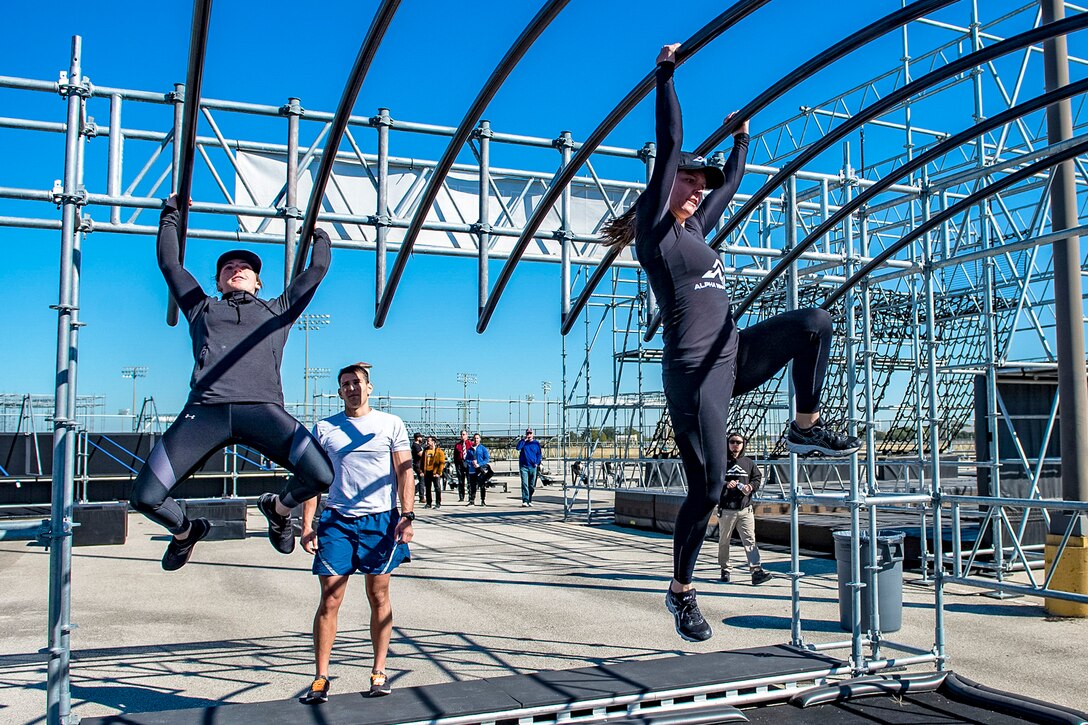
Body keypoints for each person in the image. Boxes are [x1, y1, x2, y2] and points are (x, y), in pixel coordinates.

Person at [598, 44, 859, 642]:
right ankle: (681, 590)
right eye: (687, 181)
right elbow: (668, 145)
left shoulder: (696, 227)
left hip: (733, 354)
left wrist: (741, 139)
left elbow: (732, 183)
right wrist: (664, 72)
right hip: (693, 376)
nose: (695, 189)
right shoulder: (657, 236)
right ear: (664, 189)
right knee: (710, 487)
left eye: (698, 185)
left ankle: (804, 425)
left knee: (815, 323)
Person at [130, 194, 335, 571]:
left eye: (244, 267)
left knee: (321, 475)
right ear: (219, 281)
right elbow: (169, 263)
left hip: (263, 410)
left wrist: (318, 231)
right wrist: (171, 215)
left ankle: (277, 508)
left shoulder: (279, 309)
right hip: (204, 412)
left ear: (258, 283)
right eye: (227, 267)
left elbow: (316, 270)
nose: (235, 269)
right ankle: (185, 532)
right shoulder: (201, 308)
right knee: (145, 496)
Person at [299, 362, 414, 704]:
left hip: (380, 521)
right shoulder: (324, 428)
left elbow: (405, 472)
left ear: (369, 387)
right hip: (337, 521)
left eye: (357, 383)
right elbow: (312, 479)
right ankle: (321, 678)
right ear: (339, 391)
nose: (351, 388)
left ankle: (379, 672)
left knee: (378, 595)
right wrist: (308, 524)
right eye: (345, 384)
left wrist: (407, 516)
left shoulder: (390, 424)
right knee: (330, 598)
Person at [717, 433, 771, 586]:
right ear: (727, 444)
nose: (735, 445)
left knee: (750, 540)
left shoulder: (748, 462)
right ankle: (725, 569)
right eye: (732, 442)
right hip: (727, 509)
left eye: (739, 442)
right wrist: (726, 484)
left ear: (743, 445)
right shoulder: (722, 462)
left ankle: (756, 571)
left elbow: (757, 477)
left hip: (745, 509)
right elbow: (713, 479)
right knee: (724, 541)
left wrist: (751, 487)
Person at [516, 427, 543, 507]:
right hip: (524, 466)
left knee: (531, 485)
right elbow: (518, 448)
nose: (529, 435)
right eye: (528, 433)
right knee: (525, 484)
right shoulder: (523, 442)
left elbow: (539, 454)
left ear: (533, 434)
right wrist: (524, 440)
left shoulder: (536, 443)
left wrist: (537, 463)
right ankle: (525, 500)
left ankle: (529, 499)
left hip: (533, 466)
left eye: (530, 433)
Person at [464, 433, 490, 506]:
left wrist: (479, 464)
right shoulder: (470, 449)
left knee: (482, 485)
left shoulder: (483, 448)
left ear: (480, 439)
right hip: (472, 470)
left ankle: (483, 500)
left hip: (480, 470)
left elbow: (487, 459)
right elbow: (466, 459)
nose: (476, 440)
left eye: (477, 438)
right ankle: (472, 500)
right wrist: (472, 462)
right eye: (475, 438)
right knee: (472, 486)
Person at [421, 435, 447, 509]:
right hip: (427, 472)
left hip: (435, 472)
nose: (427, 442)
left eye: (429, 441)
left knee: (437, 488)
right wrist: (422, 470)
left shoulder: (439, 451)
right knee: (428, 488)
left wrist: (439, 473)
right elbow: (422, 461)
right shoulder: (425, 451)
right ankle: (428, 503)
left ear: (433, 442)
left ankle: (438, 503)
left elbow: (442, 463)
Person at [452, 429, 471, 502]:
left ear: (467, 435)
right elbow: (455, 456)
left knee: (469, 480)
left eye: (464, 434)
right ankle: (461, 497)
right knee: (460, 481)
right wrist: (456, 464)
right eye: (461, 435)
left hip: (468, 463)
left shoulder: (470, 444)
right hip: (460, 463)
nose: (462, 436)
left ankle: (470, 496)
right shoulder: (457, 445)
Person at [410, 432, 425, 504]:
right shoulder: (416, 446)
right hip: (418, 465)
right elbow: (421, 454)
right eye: (421, 437)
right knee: (422, 481)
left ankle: (414, 492)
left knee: (423, 481)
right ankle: (421, 496)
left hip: (419, 465)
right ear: (418, 438)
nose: (422, 439)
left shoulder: (418, 445)